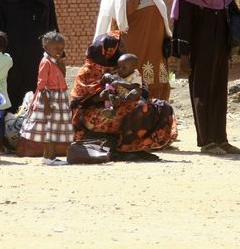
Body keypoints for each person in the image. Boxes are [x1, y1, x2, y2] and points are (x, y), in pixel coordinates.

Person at [170, 0, 240, 155]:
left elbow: (230, 10)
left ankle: (222, 139)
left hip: (220, 45)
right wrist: (184, 56)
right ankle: (207, 141)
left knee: (219, 90)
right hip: (200, 49)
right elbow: (183, 25)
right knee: (201, 90)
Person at [70, 32, 177, 161]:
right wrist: (103, 96)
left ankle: (138, 148)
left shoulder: (123, 65)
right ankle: (125, 150)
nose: (124, 50)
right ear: (108, 51)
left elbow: (143, 90)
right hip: (94, 114)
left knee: (162, 107)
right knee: (139, 107)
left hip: (123, 103)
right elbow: (79, 102)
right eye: (120, 47)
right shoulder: (89, 71)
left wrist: (133, 90)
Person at [95, 0, 172, 100]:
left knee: (158, 87)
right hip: (135, 46)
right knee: (137, 86)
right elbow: (127, 10)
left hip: (155, 47)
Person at [0, 0, 58, 112]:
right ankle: (13, 129)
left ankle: (36, 131)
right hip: (12, 56)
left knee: (37, 89)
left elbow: (51, 22)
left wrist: (55, 50)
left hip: (36, 54)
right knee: (13, 92)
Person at [19, 31, 75, 165]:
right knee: (50, 129)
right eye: (56, 48)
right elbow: (41, 85)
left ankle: (49, 156)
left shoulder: (56, 61)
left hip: (60, 96)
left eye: (62, 49)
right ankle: (49, 158)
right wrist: (47, 105)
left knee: (55, 129)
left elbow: (62, 75)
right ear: (46, 46)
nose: (59, 51)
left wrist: (61, 63)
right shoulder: (45, 62)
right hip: (49, 98)